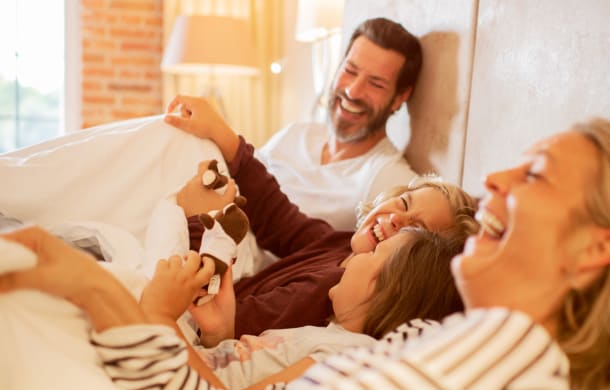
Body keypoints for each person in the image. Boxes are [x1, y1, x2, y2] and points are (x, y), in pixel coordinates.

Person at [0, 118, 610, 390]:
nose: (496, 178)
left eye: (536, 175)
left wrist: (108, 297)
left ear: (593, 250)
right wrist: (106, 298)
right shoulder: (429, 342)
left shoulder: (501, 364)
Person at [170, 134, 477, 341]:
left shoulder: (330, 296)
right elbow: (280, 218)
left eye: (415, 229)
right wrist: (230, 141)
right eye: (405, 203)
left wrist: (198, 220)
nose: (397, 218)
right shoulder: (343, 245)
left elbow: (215, 318)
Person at [165, 17, 424, 231]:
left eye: (376, 84)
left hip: (241, 266)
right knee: (172, 134)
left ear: (400, 97)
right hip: (201, 231)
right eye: (350, 71)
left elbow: (284, 222)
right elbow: (241, 178)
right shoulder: (298, 134)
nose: (353, 91)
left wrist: (222, 133)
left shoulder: (388, 179)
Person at [196, 227, 464, 390]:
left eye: (373, 253)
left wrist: (169, 327)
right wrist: (217, 334)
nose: (357, 255)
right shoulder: (328, 335)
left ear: (385, 286)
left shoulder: (347, 355)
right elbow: (236, 370)